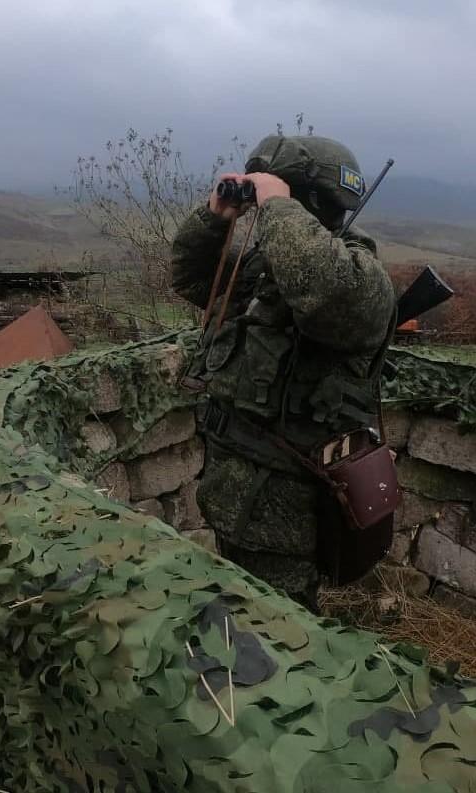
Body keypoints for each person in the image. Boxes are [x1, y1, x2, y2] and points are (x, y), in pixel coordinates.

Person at [170, 135, 396, 611]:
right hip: (231, 496)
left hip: (288, 515)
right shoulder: (267, 269)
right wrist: (215, 220)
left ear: (309, 201)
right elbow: (193, 280)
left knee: (280, 637)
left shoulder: (358, 277)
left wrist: (277, 205)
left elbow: (324, 290)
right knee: (240, 617)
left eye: (282, 193)